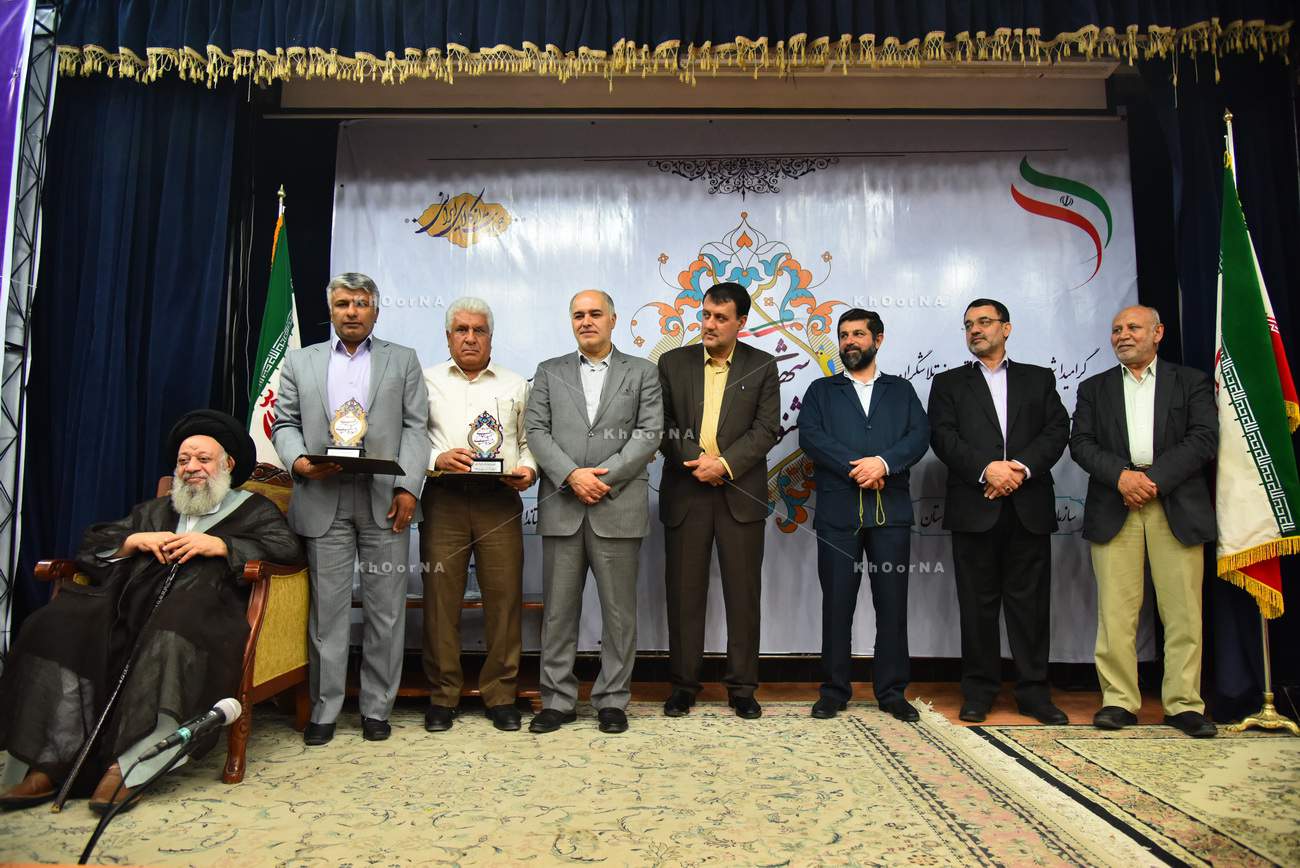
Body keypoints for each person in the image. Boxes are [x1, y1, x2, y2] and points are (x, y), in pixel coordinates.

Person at [0, 410, 302, 812]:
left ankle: (131, 766)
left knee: (169, 635)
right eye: (183, 460)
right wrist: (135, 541)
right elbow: (95, 545)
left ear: (228, 464)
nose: (191, 467)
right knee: (54, 624)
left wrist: (222, 546)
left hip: (203, 613)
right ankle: (46, 762)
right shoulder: (157, 511)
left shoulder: (254, 510)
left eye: (203, 459)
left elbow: (287, 549)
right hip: (126, 605)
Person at [273, 273, 431, 745]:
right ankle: (325, 709)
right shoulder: (301, 361)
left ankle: (377, 709)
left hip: (385, 498)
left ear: (375, 311)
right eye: (343, 303)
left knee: (386, 611)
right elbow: (284, 423)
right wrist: (298, 461)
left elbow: (416, 428)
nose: (352, 311)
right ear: (331, 310)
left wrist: (409, 488)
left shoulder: (403, 359)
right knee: (328, 612)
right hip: (323, 495)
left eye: (361, 303)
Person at [1070, 305, 1218, 737]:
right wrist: (1122, 477)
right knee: (1116, 612)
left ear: (1158, 333)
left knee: (1183, 611)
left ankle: (1184, 704)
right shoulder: (1094, 387)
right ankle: (1118, 701)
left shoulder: (1190, 382)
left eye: (1133, 327)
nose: (1123, 335)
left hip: (1176, 504)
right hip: (1115, 504)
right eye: (1116, 329)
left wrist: (1152, 481)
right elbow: (1081, 443)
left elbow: (1204, 438)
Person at [524, 289, 662, 734]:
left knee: (619, 614)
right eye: (578, 315)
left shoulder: (642, 371)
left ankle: (612, 700)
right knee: (558, 613)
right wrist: (571, 475)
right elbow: (536, 431)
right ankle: (557, 700)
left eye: (595, 313)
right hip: (563, 505)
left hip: (617, 506)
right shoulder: (549, 371)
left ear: (613, 320)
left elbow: (649, 433)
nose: (586, 321)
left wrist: (603, 478)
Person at [928, 299, 1071, 724]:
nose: (975, 330)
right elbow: (943, 437)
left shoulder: (1039, 378)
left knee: (1031, 607)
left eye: (984, 322)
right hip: (975, 507)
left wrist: (1019, 469)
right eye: (968, 324)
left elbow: (1057, 430)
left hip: (1028, 507)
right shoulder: (948, 383)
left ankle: (1034, 693)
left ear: (1006, 328)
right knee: (977, 607)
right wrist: (986, 470)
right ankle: (979, 691)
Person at [798, 308, 929, 722]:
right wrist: (858, 466)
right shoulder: (821, 390)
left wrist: (883, 464)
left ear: (878, 339)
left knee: (892, 604)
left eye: (857, 334)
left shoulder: (901, 390)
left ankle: (891, 692)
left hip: (891, 513)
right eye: (843, 335)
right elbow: (811, 437)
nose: (849, 341)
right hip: (838, 513)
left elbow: (919, 436)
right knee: (837, 604)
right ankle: (834, 691)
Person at [657, 282, 780, 719]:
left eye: (720, 318)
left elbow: (766, 430)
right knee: (684, 595)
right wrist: (697, 460)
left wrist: (724, 465)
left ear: (741, 322)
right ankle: (683, 686)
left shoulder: (762, 365)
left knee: (743, 597)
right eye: (706, 314)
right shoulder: (673, 363)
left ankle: (742, 688)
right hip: (686, 492)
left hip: (739, 495)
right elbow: (662, 424)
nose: (709, 324)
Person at [420, 297, 536, 733]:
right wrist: (435, 457)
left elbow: (528, 441)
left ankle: (501, 695)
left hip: (499, 500)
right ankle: (443, 695)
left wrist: (529, 469)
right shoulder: (426, 381)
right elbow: (411, 437)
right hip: (444, 497)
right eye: (461, 330)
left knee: (504, 600)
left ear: (491, 336)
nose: (470, 338)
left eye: (479, 330)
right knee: (440, 600)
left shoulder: (515, 383)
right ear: (448, 336)